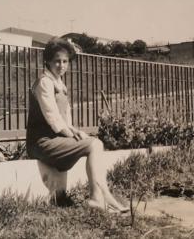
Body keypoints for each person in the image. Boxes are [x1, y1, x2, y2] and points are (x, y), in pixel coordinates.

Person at [27, 38, 128, 213]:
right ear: (48, 61)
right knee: (94, 144)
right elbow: (54, 119)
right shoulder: (44, 82)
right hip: (41, 143)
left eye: (65, 61)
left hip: (55, 139)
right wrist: (72, 135)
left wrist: (76, 132)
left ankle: (103, 195)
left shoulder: (59, 84)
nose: (61, 65)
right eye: (57, 61)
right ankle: (98, 198)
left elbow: (65, 121)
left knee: (94, 143)